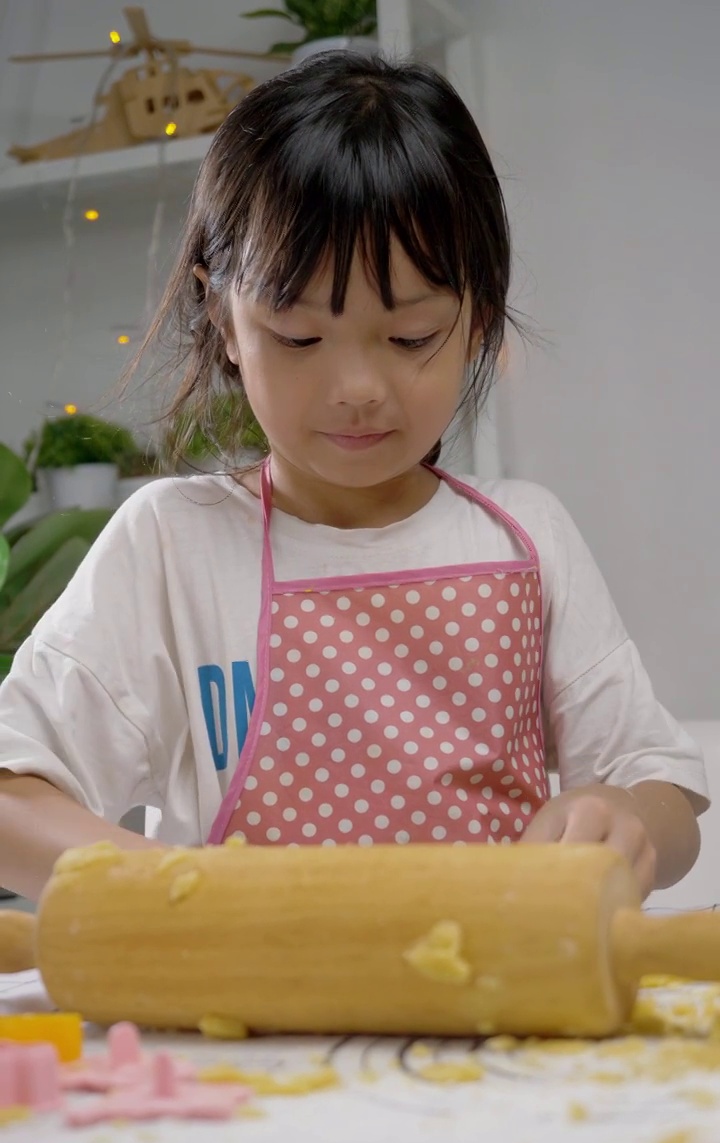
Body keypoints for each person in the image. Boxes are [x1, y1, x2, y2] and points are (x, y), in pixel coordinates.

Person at [0, 53, 708, 903]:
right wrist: (177, 887)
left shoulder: (526, 537)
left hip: (498, 1021)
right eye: (299, 338)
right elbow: (13, 794)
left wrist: (624, 818)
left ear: (478, 318)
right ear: (223, 319)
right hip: (238, 1028)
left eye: (410, 338)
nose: (358, 389)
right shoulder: (171, 545)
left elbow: (663, 791)